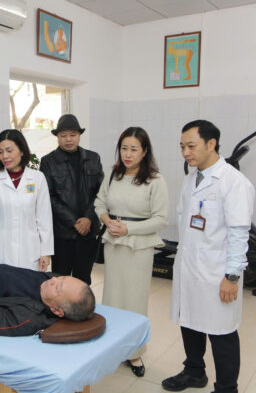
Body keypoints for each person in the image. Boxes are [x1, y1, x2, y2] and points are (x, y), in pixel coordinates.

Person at [162, 120, 254, 393]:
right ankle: (194, 371)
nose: (185, 152)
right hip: (189, 267)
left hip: (217, 272)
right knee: (190, 321)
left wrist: (232, 276)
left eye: (191, 146)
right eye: (182, 147)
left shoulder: (234, 182)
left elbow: (239, 234)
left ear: (211, 144)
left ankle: (227, 388)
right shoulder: (191, 180)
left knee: (221, 332)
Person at [94, 127, 169, 377]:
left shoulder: (155, 181)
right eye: (124, 148)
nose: (127, 154)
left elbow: (161, 219)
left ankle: (135, 353)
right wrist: (106, 219)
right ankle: (113, 348)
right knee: (113, 297)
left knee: (135, 299)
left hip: (139, 247)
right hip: (114, 243)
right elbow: (99, 202)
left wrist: (128, 229)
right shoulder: (113, 175)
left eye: (134, 149)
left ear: (145, 151)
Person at [0, 129, 54, 271]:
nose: (4, 156)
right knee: (1, 283)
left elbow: (44, 218)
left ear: (22, 151)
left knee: (28, 283)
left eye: (9, 150)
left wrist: (46, 252)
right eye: (0, 152)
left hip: (30, 251)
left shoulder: (37, 178)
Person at [40, 114, 103, 285]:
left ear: (79, 135)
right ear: (57, 137)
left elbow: (101, 193)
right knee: (60, 281)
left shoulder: (93, 158)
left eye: (73, 135)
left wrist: (88, 218)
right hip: (62, 234)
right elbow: (48, 197)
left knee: (83, 281)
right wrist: (74, 221)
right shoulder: (48, 162)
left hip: (88, 232)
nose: (68, 139)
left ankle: (82, 305)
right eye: (63, 135)